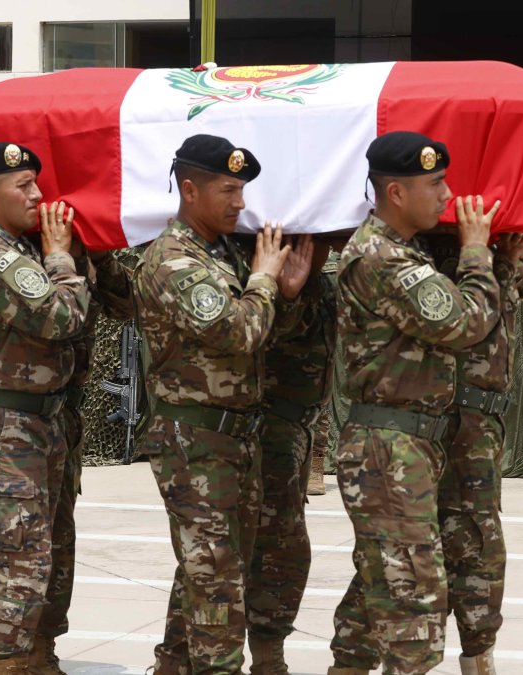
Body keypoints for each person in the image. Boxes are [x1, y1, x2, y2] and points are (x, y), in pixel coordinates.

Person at [134, 134, 313, 674]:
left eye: (243, 191)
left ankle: (173, 664)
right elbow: (235, 332)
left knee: (208, 569)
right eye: (229, 190)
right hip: (195, 442)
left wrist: (287, 294)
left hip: (235, 437)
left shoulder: (224, 252)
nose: (241, 203)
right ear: (190, 190)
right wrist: (263, 280)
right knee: (216, 579)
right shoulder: (173, 260)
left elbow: (269, 335)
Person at [328, 131, 501, 675]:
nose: (448, 195)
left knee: (380, 587)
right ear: (396, 193)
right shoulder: (380, 256)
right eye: (435, 184)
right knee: (414, 608)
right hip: (389, 449)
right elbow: (466, 324)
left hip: (410, 445)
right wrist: (476, 251)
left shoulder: (405, 252)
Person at [0, 142, 91, 674]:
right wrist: (60, 258)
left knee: (8, 548)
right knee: (24, 559)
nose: (37, 195)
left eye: (36, 182)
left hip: (39, 419)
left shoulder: (14, 245)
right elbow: (62, 318)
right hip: (9, 424)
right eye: (22, 187)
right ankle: (10, 663)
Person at [425, 231, 523, 675]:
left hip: (482, 429)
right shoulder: (421, 252)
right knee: (414, 551)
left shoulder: (502, 254)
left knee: (479, 547)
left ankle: (478, 657)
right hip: (427, 426)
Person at [245, 236, 342, 674]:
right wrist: (284, 295)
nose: (315, 248)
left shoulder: (326, 287)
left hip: (299, 430)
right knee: (275, 547)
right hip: (270, 428)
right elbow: (255, 341)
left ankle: (268, 654)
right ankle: (266, 658)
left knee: (278, 546)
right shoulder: (260, 284)